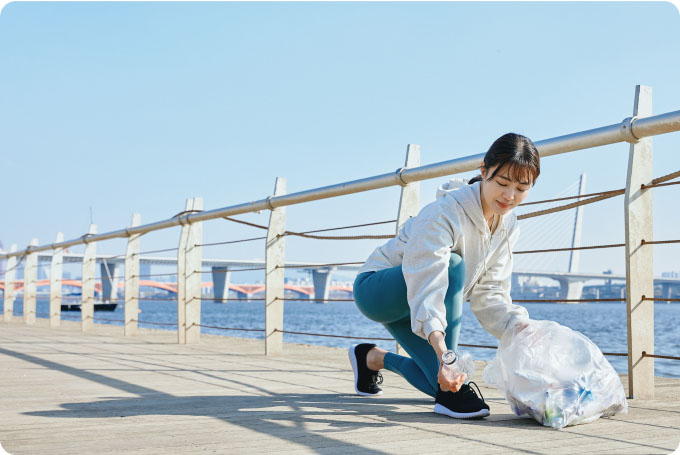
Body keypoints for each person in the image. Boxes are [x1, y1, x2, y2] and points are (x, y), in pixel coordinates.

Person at [349, 133, 540, 419]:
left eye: (521, 188)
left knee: (437, 385)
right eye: (502, 183)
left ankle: (370, 358)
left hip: (419, 305)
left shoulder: (509, 225)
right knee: (453, 264)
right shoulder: (443, 213)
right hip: (378, 291)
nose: (509, 196)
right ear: (484, 171)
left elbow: (490, 293)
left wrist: (522, 331)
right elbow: (429, 283)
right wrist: (446, 358)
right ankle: (447, 371)